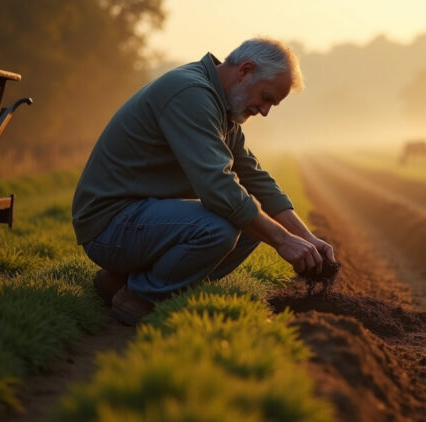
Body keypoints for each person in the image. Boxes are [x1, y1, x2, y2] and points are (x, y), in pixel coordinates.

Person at [72, 38, 335, 325]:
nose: (264, 110)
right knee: (220, 227)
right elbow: (217, 187)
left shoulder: (222, 106)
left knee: (255, 224)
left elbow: (254, 177)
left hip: (139, 218)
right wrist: (282, 240)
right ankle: (140, 298)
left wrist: (303, 238)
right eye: (267, 97)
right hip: (109, 225)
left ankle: (120, 281)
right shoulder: (191, 94)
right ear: (245, 71)